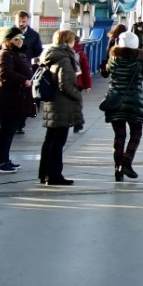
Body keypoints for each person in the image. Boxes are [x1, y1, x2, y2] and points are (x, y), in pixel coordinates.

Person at [36, 30, 84, 185]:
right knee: (58, 141)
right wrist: (78, 95)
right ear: (66, 42)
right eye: (72, 41)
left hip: (52, 102)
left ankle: (44, 173)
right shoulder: (63, 60)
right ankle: (54, 175)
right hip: (62, 104)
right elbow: (64, 85)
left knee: (50, 140)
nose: (74, 44)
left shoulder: (51, 56)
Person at [103, 31, 143, 180]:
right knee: (136, 133)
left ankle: (118, 170)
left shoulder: (113, 60)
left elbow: (106, 72)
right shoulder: (139, 62)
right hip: (134, 103)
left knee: (119, 136)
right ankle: (126, 162)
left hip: (115, 102)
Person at [0, 26, 35, 172]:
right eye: (17, 39)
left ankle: (5, 159)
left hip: (15, 99)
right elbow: (5, 73)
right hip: (8, 98)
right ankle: (1, 162)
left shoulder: (16, 54)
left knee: (9, 130)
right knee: (6, 131)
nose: (20, 41)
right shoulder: (5, 54)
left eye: (22, 38)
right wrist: (24, 80)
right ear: (8, 41)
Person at [15, 10, 42, 134]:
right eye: (19, 21)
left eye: (23, 21)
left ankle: (20, 124)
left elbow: (38, 51)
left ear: (28, 21)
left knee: (26, 97)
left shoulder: (34, 35)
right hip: (13, 68)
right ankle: (15, 122)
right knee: (14, 97)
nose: (21, 23)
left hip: (26, 69)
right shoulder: (11, 33)